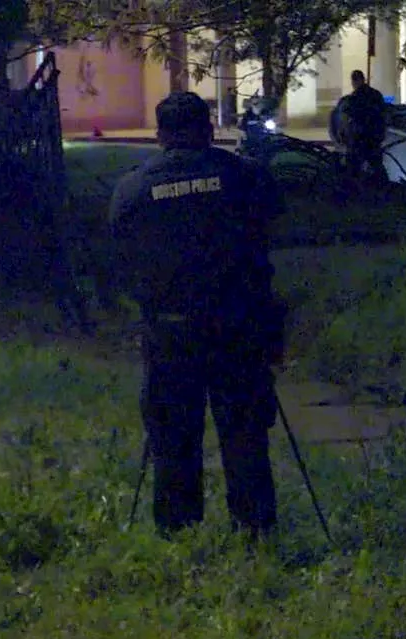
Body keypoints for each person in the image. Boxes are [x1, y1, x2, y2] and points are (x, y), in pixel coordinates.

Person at [108, 91, 287, 539]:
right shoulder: (245, 178)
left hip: (170, 331)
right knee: (244, 435)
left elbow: (118, 258)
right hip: (238, 328)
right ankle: (254, 530)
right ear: (208, 131)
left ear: (159, 135)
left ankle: (178, 533)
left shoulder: (133, 189)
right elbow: (270, 231)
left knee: (173, 438)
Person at [333, 70, 388, 183]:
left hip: (358, 139)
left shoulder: (353, 98)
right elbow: (384, 114)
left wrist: (343, 134)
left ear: (354, 81)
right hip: (374, 138)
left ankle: (355, 190)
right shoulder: (376, 95)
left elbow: (346, 119)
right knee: (376, 165)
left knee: (353, 167)